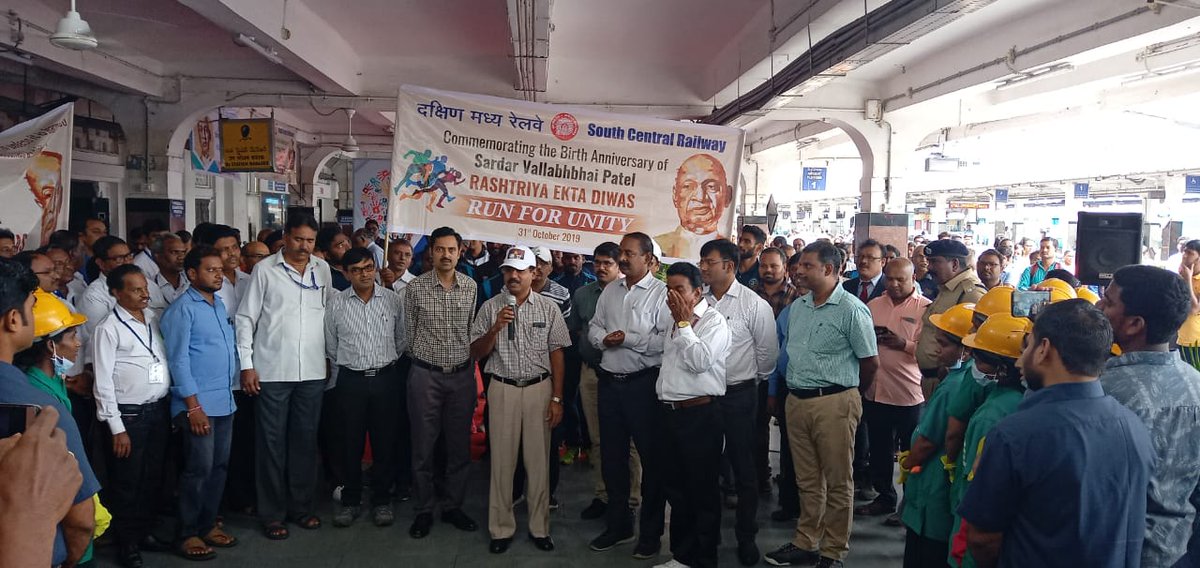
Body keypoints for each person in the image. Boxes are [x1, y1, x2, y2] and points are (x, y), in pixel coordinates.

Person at [959, 300, 1153, 568]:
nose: (1019, 360)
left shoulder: (1015, 435)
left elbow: (983, 539)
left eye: (1027, 346)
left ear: (1044, 350)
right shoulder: (1133, 426)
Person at [765, 241, 879, 568]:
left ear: (828, 269)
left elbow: (870, 363)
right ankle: (806, 541)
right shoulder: (798, 308)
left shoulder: (852, 310)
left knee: (839, 481)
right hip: (796, 401)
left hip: (835, 403)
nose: (798, 271)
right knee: (807, 480)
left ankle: (833, 551)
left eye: (806, 266)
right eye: (799, 265)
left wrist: (850, 397)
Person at [235, 213, 333, 540]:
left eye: (310, 241)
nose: (304, 246)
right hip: (272, 370)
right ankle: (272, 514)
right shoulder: (264, 271)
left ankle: (301, 508)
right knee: (271, 444)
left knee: (305, 442)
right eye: (298, 239)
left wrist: (330, 358)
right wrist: (246, 364)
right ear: (286, 237)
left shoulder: (323, 270)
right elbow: (246, 319)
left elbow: (329, 315)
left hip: (313, 370)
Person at [1097, 265, 1200, 567]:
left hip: (1114, 552)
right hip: (1179, 550)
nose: (1099, 307)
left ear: (1134, 324)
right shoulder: (1195, 384)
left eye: (1109, 301)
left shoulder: (1103, 392)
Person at [468, 246, 569, 553]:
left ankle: (540, 528)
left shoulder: (548, 308)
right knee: (501, 462)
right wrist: (496, 327)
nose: (513, 275)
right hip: (503, 389)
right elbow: (475, 353)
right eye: (508, 270)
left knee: (538, 462)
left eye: (519, 270)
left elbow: (558, 353)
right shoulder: (491, 307)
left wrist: (557, 398)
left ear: (533, 273)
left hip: (540, 390)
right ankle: (501, 529)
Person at [587, 232, 669, 557]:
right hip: (610, 384)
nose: (623, 258)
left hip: (643, 386)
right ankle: (618, 525)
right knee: (613, 458)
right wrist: (604, 339)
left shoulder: (662, 294)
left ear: (649, 259)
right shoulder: (610, 291)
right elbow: (593, 326)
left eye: (629, 253)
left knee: (652, 461)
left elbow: (664, 341)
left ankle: (650, 534)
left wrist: (628, 339)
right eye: (621, 252)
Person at [698, 239, 777, 566]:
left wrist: (744, 381)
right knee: (704, 468)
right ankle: (707, 536)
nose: (702, 267)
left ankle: (746, 536)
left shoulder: (753, 304)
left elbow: (767, 356)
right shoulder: (697, 301)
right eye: (702, 261)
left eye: (708, 262)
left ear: (728, 266)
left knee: (744, 471)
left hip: (740, 394)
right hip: (702, 396)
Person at [160, 246, 240, 560]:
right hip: (198, 406)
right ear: (192, 274)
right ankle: (187, 532)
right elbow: (178, 361)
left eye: (220, 269)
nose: (219, 274)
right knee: (198, 470)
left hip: (224, 402)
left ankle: (208, 524)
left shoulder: (217, 305)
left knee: (218, 468)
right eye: (211, 269)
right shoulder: (182, 309)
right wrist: (192, 406)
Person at [91, 264, 173, 567]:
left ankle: (145, 531)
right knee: (128, 481)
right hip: (130, 416)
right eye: (136, 289)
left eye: (145, 288)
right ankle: (127, 544)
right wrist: (117, 428)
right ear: (117, 293)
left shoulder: (151, 318)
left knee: (153, 476)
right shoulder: (108, 329)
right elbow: (102, 382)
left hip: (157, 409)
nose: (144, 294)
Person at [404, 226, 481, 539]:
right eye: (440, 249)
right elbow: (408, 335)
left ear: (460, 251)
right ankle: (424, 509)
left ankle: (452, 506)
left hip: (461, 377)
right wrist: (427, 362)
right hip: (425, 375)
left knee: (458, 446)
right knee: (423, 446)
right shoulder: (416, 288)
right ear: (431, 251)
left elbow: (471, 330)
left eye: (451, 249)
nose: (446, 255)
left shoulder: (471, 286)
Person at [655, 262, 732, 568]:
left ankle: (704, 558)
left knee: (702, 490)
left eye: (679, 289)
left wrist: (685, 325)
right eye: (668, 289)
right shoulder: (672, 319)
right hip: (671, 413)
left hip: (700, 414)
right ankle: (682, 556)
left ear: (697, 291)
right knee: (676, 488)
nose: (672, 296)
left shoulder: (713, 322)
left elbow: (700, 361)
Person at [325, 248, 407, 528]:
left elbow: (401, 340)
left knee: (385, 443)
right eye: (357, 269)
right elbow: (331, 346)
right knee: (350, 444)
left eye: (368, 267)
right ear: (346, 273)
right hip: (351, 381)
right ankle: (350, 501)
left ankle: (382, 501)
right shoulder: (336, 304)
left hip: (386, 379)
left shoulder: (393, 301)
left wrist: (382, 365)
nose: (364, 274)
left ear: (375, 268)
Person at [947, 313, 1030, 568]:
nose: (973, 362)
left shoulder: (991, 415)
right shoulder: (1017, 401)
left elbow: (977, 487)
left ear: (1002, 368)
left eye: (980, 358)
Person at [568, 241, 642, 522]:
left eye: (607, 263)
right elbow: (577, 329)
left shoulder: (630, 294)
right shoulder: (583, 294)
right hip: (591, 374)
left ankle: (632, 499)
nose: (601, 267)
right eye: (597, 262)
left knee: (630, 442)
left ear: (619, 264)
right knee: (599, 441)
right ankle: (603, 495)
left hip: (625, 377)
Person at [899, 303, 976, 568]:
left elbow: (929, 441)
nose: (936, 349)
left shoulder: (953, 387)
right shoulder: (970, 380)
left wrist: (909, 463)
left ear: (965, 350)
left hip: (933, 485)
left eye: (943, 344)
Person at [857, 259, 930, 517]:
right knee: (879, 450)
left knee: (912, 452)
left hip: (909, 393)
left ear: (913, 279)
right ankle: (884, 496)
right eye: (890, 279)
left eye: (901, 279)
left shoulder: (926, 309)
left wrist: (904, 344)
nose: (895, 284)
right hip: (876, 390)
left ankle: (909, 502)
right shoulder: (873, 306)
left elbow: (929, 350)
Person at [760, 250, 805, 524]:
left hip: (825, 395)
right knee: (789, 451)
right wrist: (774, 392)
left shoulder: (847, 309)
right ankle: (790, 503)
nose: (801, 277)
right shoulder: (788, 314)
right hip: (790, 388)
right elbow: (778, 355)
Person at [915, 240, 986, 397]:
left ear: (954, 264)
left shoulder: (971, 293)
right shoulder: (947, 288)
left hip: (949, 382)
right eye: (929, 262)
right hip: (932, 380)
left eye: (934, 262)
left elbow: (976, 341)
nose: (929, 267)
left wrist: (950, 370)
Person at [654, 154, 733, 260]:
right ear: (675, 195)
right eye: (688, 186)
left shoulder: (730, 255)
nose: (700, 197)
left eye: (711, 187)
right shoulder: (656, 247)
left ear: (727, 196)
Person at [149, 232, 190, 304]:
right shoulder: (149, 287)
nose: (181, 257)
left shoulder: (192, 282)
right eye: (174, 252)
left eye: (183, 252)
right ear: (158, 256)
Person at [843, 239, 887, 304]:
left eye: (870, 257)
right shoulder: (846, 287)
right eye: (860, 256)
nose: (863, 261)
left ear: (882, 262)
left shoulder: (889, 287)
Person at [1180, 239, 1200, 372]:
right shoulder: (1182, 275)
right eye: (1184, 252)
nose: (1184, 255)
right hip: (1181, 337)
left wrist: (1188, 280)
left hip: (1196, 341)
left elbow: (1194, 308)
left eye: (1190, 253)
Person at [317, 226, 353, 291]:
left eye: (348, 242)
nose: (349, 247)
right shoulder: (326, 278)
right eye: (340, 245)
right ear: (327, 255)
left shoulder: (359, 268)